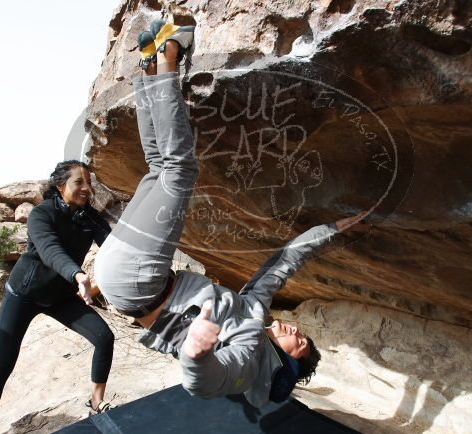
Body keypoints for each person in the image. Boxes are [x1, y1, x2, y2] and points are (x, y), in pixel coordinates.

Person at [94, 22, 370, 409]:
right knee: (159, 166)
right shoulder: (253, 312)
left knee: (180, 169)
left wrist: (197, 354)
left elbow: (209, 382)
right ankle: (149, 67)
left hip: (138, 283)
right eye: (305, 335)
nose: (298, 332)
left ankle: (170, 52)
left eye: (300, 343)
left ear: (288, 360)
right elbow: (283, 264)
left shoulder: (251, 354)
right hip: (129, 278)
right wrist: (331, 229)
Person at [0, 160, 115, 434]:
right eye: (79, 182)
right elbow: (49, 251)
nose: (87, 188)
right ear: (61, 187)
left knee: (104, 337)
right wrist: (77, 275)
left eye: (90, 182)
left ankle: (96, 402)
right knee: (2, 365)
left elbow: (113, 246)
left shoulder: (88, 216)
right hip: (24, 294)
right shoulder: (42, 214)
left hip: (59, 296)